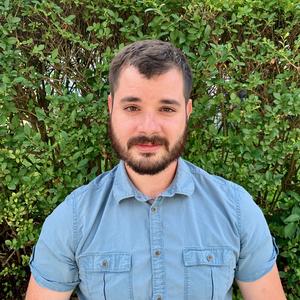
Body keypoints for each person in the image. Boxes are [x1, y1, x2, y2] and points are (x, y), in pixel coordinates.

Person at [26, 40, 286, 300]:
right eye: (132, 108)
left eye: (166, 109)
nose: (148, 128)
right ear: (111, 108)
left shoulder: (237, 209)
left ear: (187, 111)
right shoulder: (72, 219)